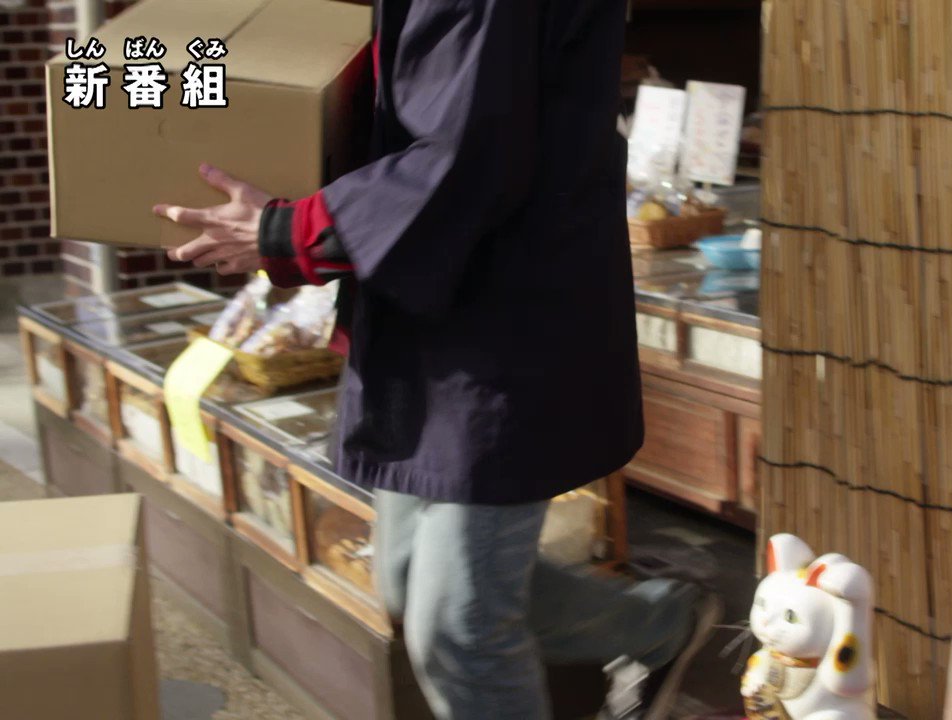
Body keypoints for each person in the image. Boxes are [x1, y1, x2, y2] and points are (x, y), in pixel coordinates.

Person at [153, 0, 722, 718]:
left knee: (459, 630)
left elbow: (466, 152)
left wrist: (291, 230)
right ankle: (658, 624)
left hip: (502, 316)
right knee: (408, 581)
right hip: (432, 303)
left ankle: (659, 624)